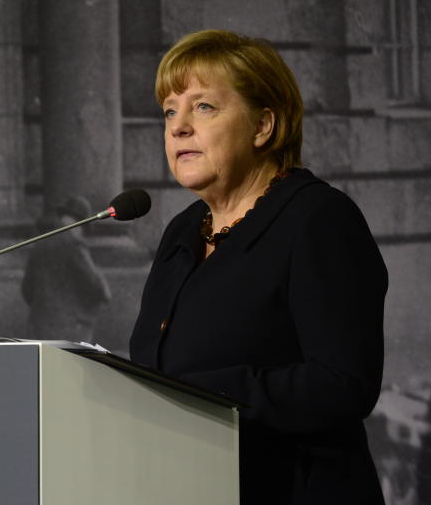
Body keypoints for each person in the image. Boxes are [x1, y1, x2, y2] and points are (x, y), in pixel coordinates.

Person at [129, 30, 387, 505]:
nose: (178, 127)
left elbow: (343, 384)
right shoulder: (183, 231)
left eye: (203, 107)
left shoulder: (317, 219)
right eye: (170, 111)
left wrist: (199, 396)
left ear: (263, 125)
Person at [21, 195, 110, 342]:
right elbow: (95, 283)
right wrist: (104, 294)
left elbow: (26, 289)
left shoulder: (39, 245)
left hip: (40, 325)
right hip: (72, 327)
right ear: (80, 224)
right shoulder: (75, 245)